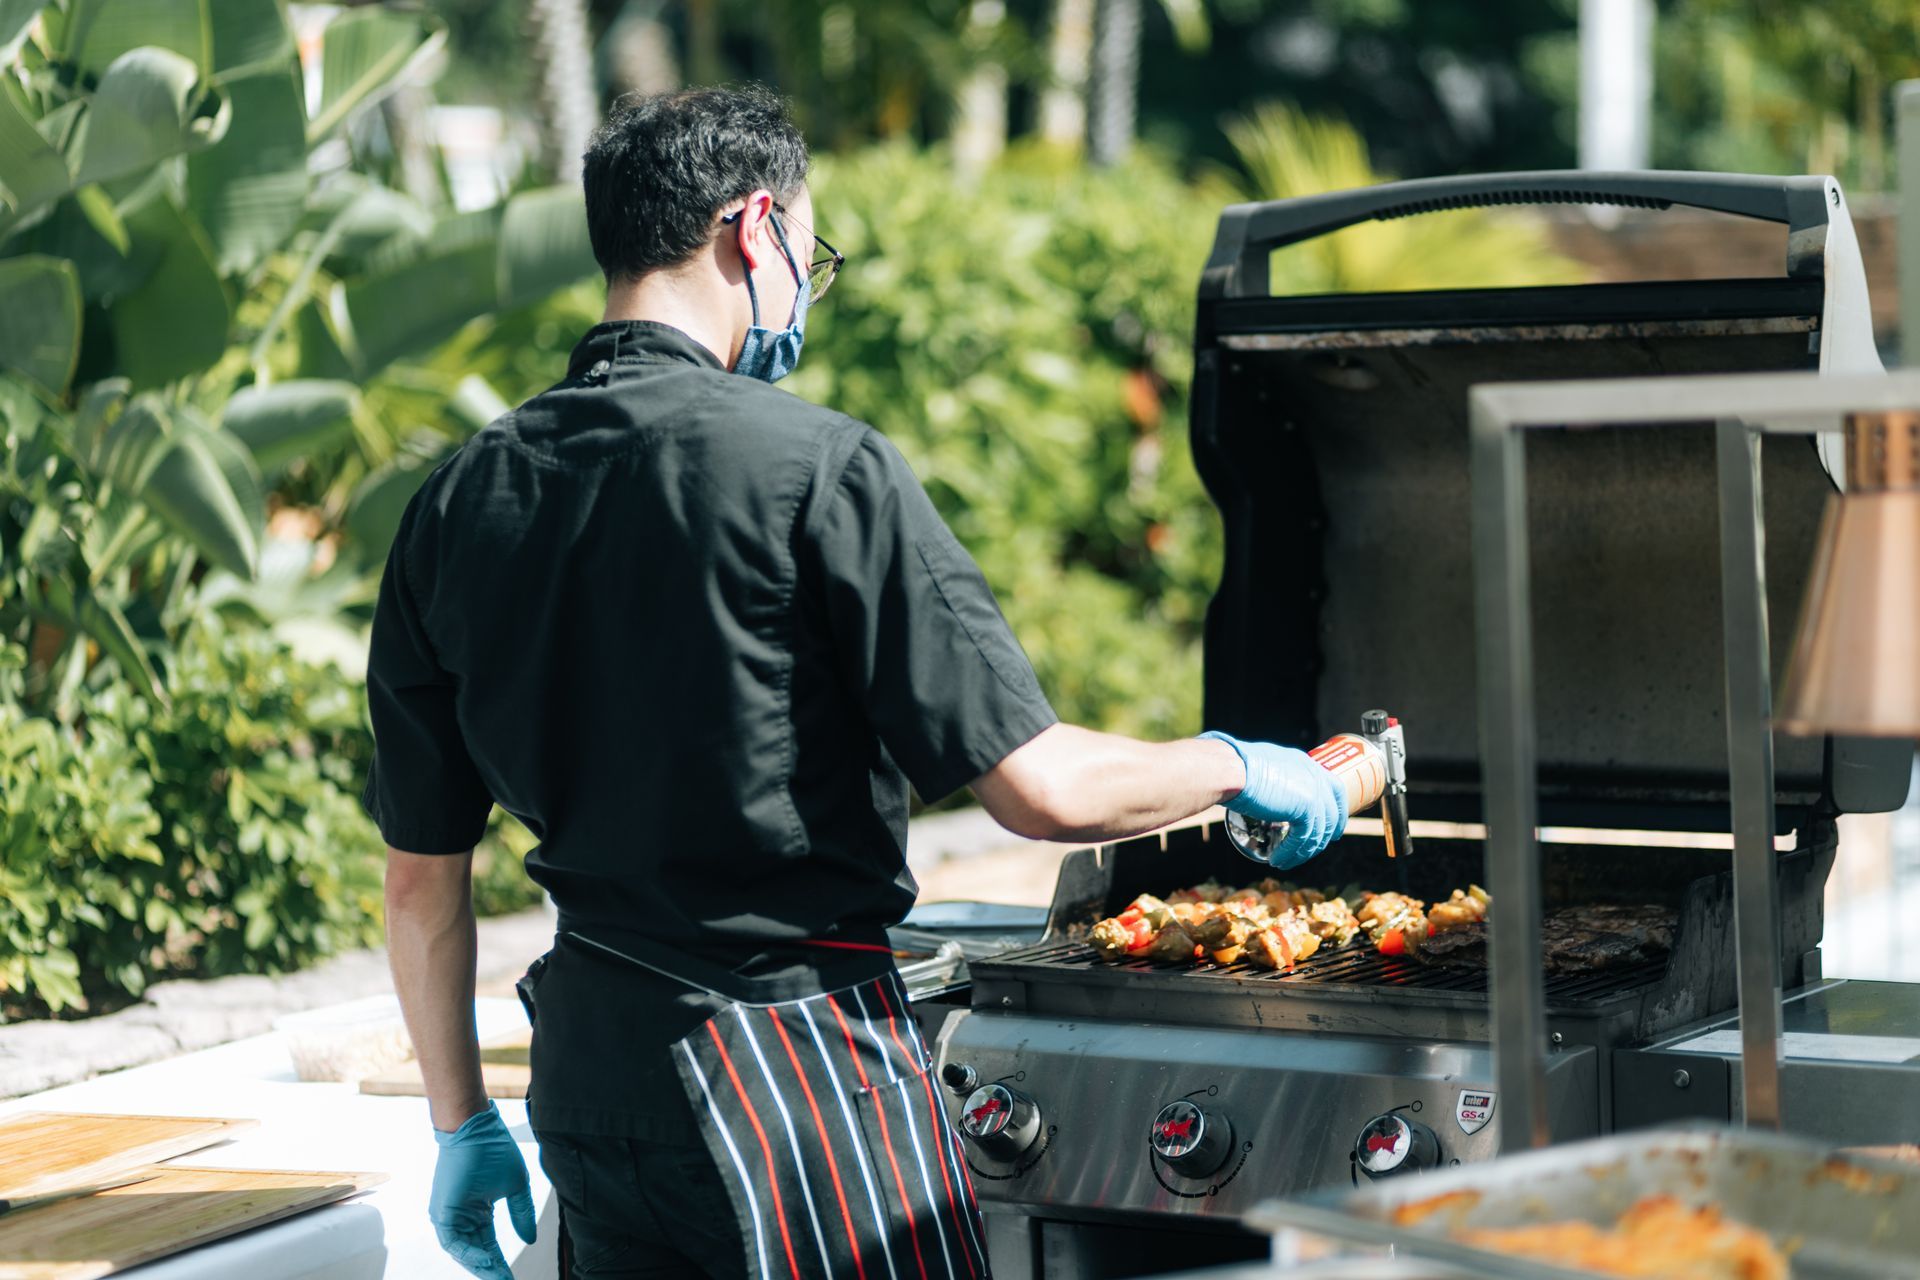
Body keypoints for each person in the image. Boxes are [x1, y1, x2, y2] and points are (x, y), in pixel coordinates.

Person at [367, 85, 1346, 1280]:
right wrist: (1242, 762)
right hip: (793, 1073)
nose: (804, 290)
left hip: (589, 1075)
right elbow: (1046, 791)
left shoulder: (456, 502)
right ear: (755, 227)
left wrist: (460, 1120)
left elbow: (421, 882)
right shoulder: (816, 469)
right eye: (809, 258)